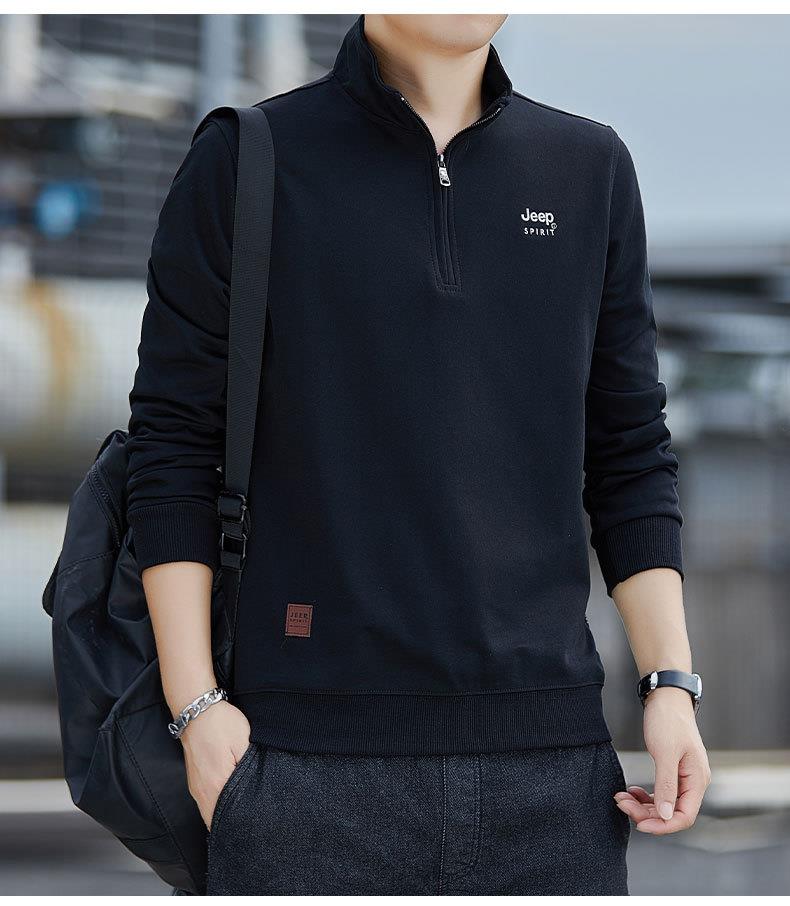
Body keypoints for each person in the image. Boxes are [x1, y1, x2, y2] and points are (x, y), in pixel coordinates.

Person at [126, 13, 711, 896]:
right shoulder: (249, 159)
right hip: (300, 768)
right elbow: (172, 447)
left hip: (552, 775)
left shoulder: (588, 167)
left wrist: (669, 685)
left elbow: (630, 452)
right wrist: (196, 712)